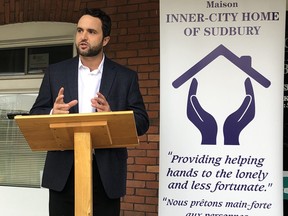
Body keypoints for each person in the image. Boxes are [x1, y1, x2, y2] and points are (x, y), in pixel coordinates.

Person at [30, 8, 149, 216]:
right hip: (63, 172)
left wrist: (113, 116)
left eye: (91, 32)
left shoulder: (125, 77)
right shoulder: (55, 72)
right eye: (79, 30)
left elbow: (142, 121)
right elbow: (34, 114)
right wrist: (52, 113)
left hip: (105, 174)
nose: (83, 36)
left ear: (105, 40)